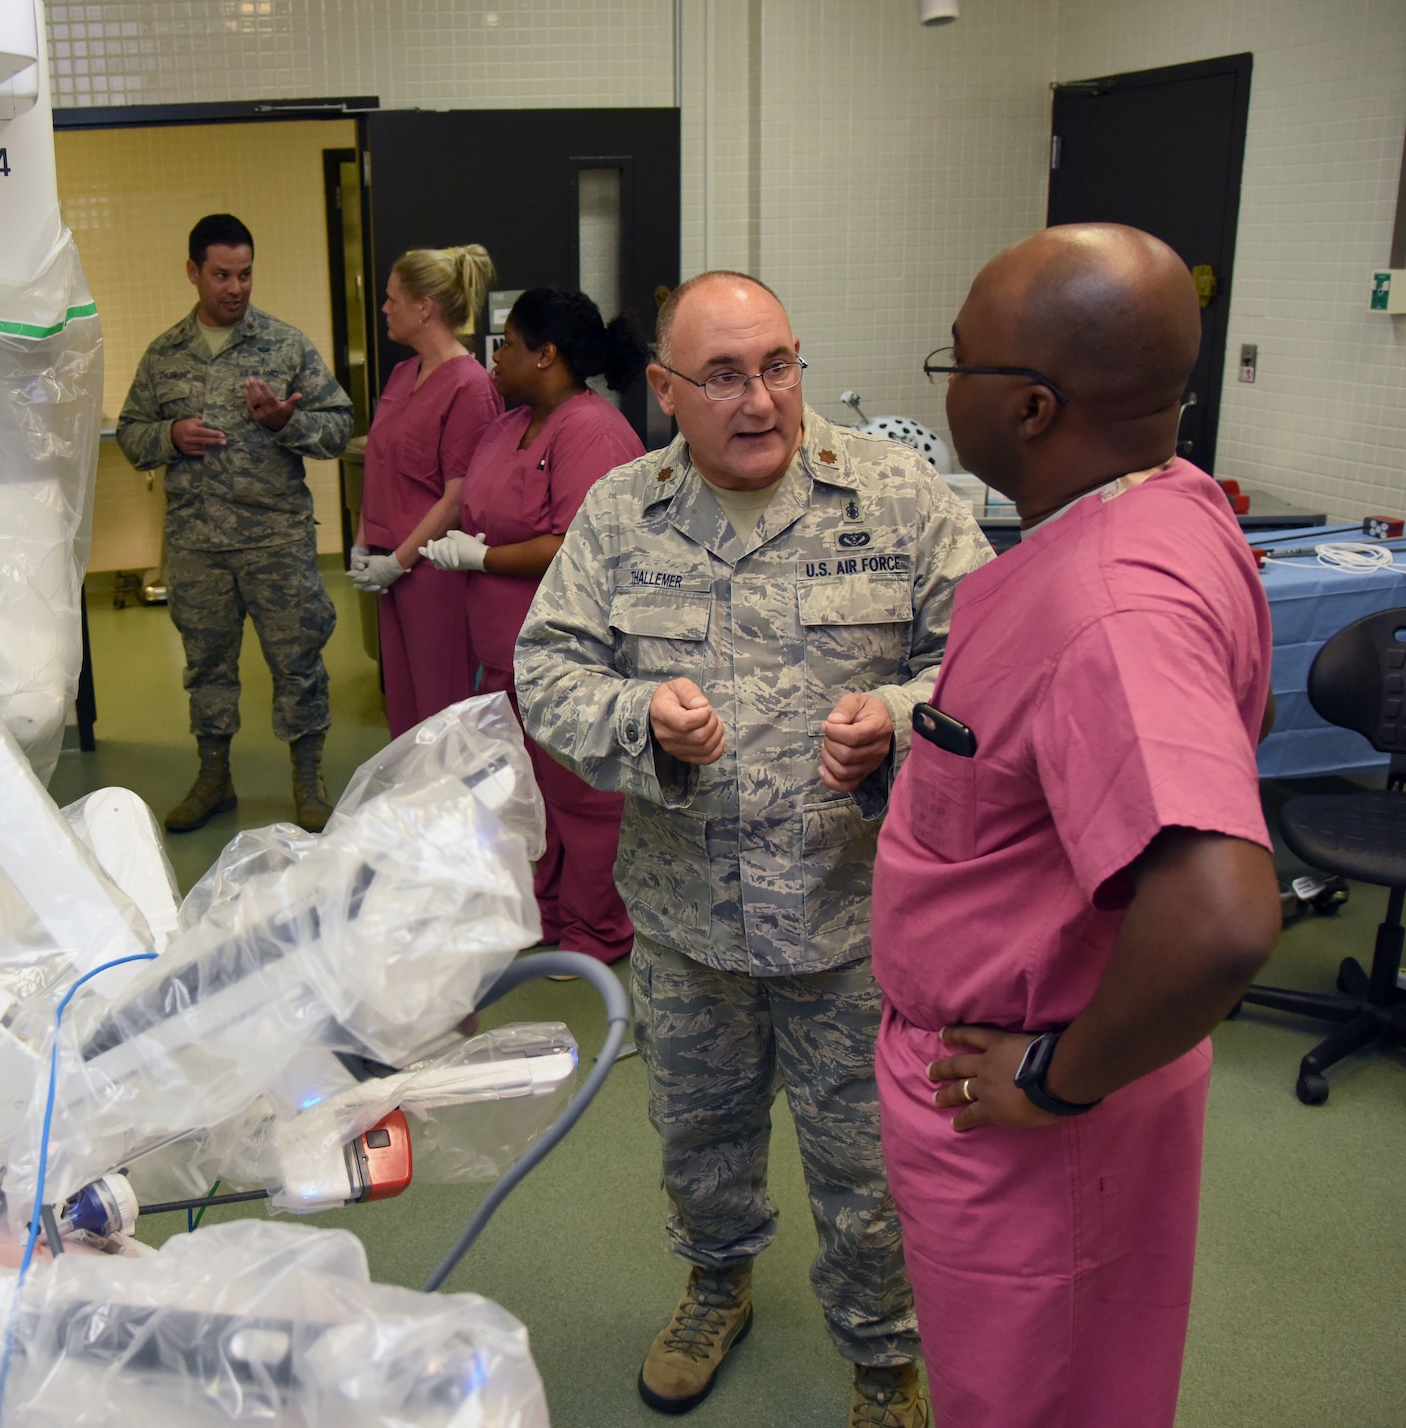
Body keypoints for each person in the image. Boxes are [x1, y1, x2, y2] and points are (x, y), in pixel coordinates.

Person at [515, 270, 994, 1424]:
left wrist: (894, 719)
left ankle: (882, 1355)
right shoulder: (621, 512)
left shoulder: (898, 496)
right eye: (721, 375)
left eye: (776, 364)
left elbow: (989, 668)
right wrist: (639, 724)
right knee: (699, 1140)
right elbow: (546, 669)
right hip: (689, 923)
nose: (759, 398)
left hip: (857, 925)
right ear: (665, 390)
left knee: (869, 1171)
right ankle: (715, 1283)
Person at [870, 225, 1281, 1428]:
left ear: (1032, 408)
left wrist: (1053, 1078)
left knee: (1030, 1396)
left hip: (1028, 1108)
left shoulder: (1107, 607)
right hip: (1060, 1070)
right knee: (1087, 1378)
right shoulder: (1167, 504)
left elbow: (1217, 920)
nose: (943, 387)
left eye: (956, 364)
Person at [423, 288, 646, 964]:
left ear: (546, 355)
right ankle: (546, 916)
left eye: (509, 344)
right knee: (530, 794)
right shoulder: (510, 423)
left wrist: (483, 556)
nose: (495, 357)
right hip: (509, 655)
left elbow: (579, 543)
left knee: (583, 799)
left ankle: (596, 931)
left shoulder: (591, 430)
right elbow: (479, 501)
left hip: (574, 656)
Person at [117, 214, 353, 834]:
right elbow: (132, 435)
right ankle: (214, 777)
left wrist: (285, 424)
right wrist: (169, 434)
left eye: (245, 274)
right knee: (207, 666)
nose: (235, 287)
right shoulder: (164, 355)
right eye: (221, 274)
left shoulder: (285, 346)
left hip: (276, 540)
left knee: (298, 661)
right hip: (198, 546)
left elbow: (337, 429)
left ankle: (308, 782)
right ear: (193, 272)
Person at [348, 245, 500, 736]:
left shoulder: (470, 387)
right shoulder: (401, 374)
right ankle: (414, 807)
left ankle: (453, 810)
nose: (386, 308)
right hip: (389, 568)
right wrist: (362, 542)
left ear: (425, 307)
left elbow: (458, 496)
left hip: (433, 574)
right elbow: (380, 465)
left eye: (394, 299)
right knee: (406, 711)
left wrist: (399, 561)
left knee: (443, 709)